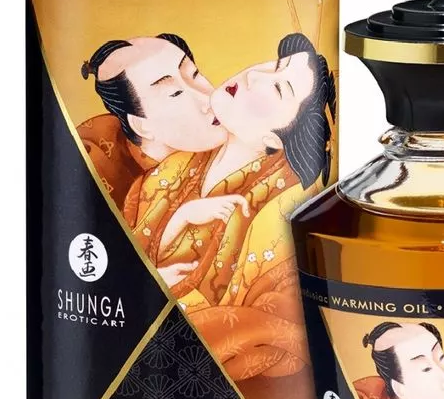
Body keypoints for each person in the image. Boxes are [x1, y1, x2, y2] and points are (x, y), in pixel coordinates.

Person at [128, 32, 335, 309]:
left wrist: (154, 289)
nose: (254, 75)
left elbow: (253, 316)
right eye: (275, 64)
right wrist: (182, 217)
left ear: (276, 139)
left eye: (278, 88)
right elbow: (122, 257)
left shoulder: (278, 212)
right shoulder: (176, 165)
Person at [77, 33, 225, 211]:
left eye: (194, 75)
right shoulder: (100, 170)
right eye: (175, 93)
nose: (207, 99)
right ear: (141, 125)